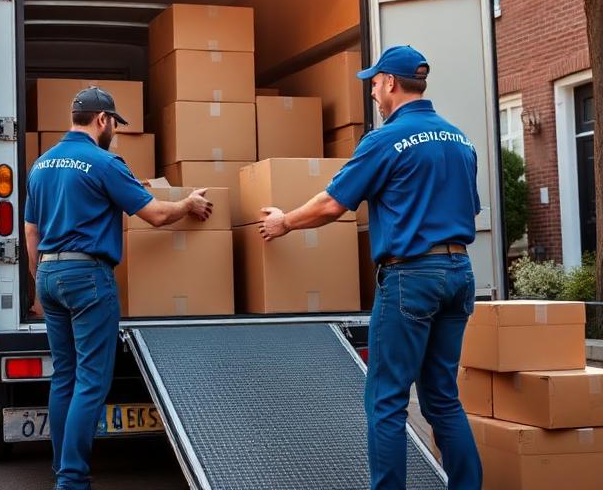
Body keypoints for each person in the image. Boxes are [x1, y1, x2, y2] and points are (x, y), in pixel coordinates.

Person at [258, 46, 482, 489]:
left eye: (375, 83)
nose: (374, 92)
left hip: (412, 278)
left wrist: (284, 221)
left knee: (386, 401)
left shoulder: (385, 140)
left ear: (392, 83)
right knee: (442, 399)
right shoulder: (461, 139)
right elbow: (468, 209)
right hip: (460, 274)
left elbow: (331, 204)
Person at [24, 86, 212, 490]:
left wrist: (37, 284)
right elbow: (157, 215)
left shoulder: (41, 165)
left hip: (50, 276)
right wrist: (188, 205)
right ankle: (72, 480)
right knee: (92, 380)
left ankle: (62, 469)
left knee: (65, 377)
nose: (114, 131)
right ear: (102, 120)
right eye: (114, 124)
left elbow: (31, 230)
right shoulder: (104, 163)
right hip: (87, 278)